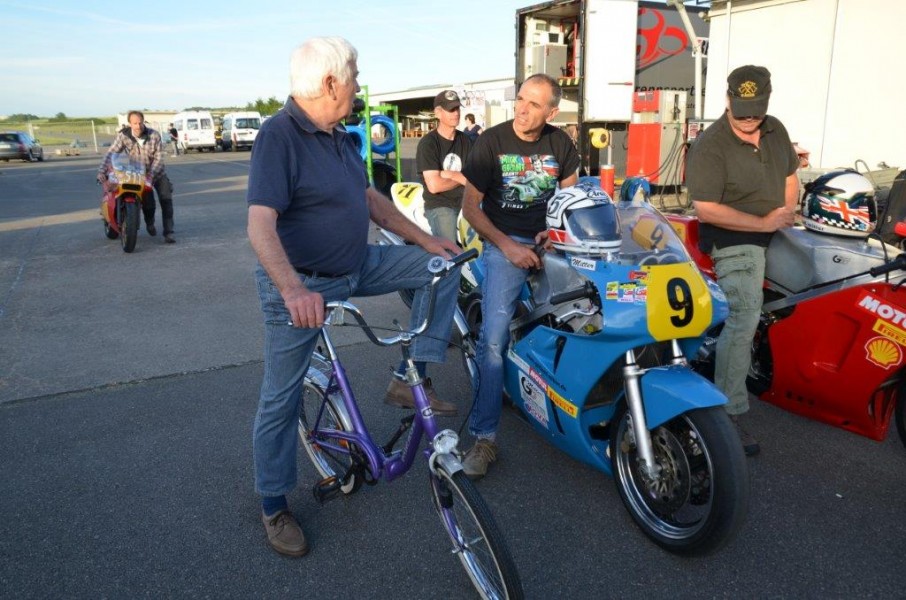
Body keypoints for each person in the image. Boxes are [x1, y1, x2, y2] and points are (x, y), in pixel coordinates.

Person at [246, 36, 462, 557]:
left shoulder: (341, 135)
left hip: (357, 265)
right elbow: (259, 224)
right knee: (281, 395)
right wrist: (293, 288)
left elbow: (369, 200)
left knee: (444, 267)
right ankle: (273, 504)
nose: (360, 85)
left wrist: (427, 240)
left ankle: (408, 379)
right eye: (356, 76)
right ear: (330, 83)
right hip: (302, 284)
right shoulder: (279, 136)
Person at [459, 73, 580, 479]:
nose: (522, 109)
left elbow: (570, 198)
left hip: (551, 244)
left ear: (552, 111)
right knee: (492, 341)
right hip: (503, 242)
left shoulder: (560, 143)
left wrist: (555, 232)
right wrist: (508, 247)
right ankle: (484, 436)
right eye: (521, 99)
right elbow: (470, 208)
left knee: (583, 318)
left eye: (533, 104)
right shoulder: (490, 142)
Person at [685, 65, 800, 456]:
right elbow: (706, 209)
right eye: (743, 111)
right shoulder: (711, 144)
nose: (750, 120)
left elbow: (789, 177)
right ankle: (726, 412)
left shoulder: (775, 129)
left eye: (757, 111)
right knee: (746, 311)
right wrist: (763, 221)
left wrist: (787, 211)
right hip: (734, 238)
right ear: (727, 100)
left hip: (777, 229)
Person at [97, 111, 176, 243]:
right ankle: (149, 223)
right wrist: (101, 171)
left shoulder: (154, 135)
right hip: (136, 172)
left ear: (143, 121)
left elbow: (159, 158)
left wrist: (150, 175)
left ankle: (169, 232)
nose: (138, 126)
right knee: (147, 202)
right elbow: (111, 153)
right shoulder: (123, 136)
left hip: (156, 173)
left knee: (166, 198)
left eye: (140, 122)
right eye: (135, 123)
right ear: (130, 123)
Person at [416, 90, 472, 241]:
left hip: (466, 201)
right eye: (451, 109)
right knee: (451, 251)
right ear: (438, 113)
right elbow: (434, 186)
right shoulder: (428, 144)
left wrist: (450, 174)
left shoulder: (466, 141)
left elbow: (476, 176)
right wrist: (462, 177)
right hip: (440, 205)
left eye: (457, 108)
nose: (456, 113)